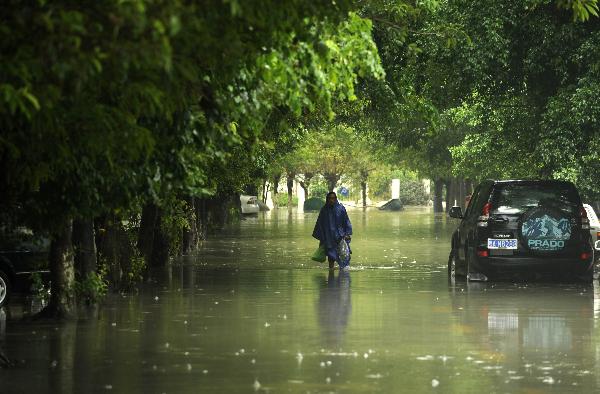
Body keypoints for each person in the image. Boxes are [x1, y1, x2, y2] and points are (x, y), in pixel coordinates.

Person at [312, 192, 352, 270]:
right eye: (330, 198)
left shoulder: (341, 208)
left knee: (344, 255)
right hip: (328, 237)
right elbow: (320, 223)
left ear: (336, 199)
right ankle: (331, 274)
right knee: (331, 256)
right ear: (327, 199)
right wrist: (322, 237)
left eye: (333, 198)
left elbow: (346, 221)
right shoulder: (324, 210)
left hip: (340, 236)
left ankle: (344, 274)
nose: (331, 200)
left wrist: (347, 233)